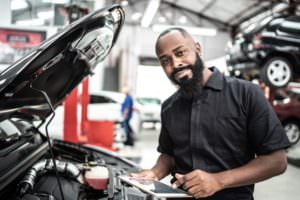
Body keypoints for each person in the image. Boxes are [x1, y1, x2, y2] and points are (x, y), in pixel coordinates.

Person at [131, 27, 290, 199]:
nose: (176, 64)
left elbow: (277, 161)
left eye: (180, 52)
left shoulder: (246, 93)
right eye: (165, 61)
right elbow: (169, 155)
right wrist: (155, 172)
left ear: (197, 49)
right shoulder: (169, 107)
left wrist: (218, 180)